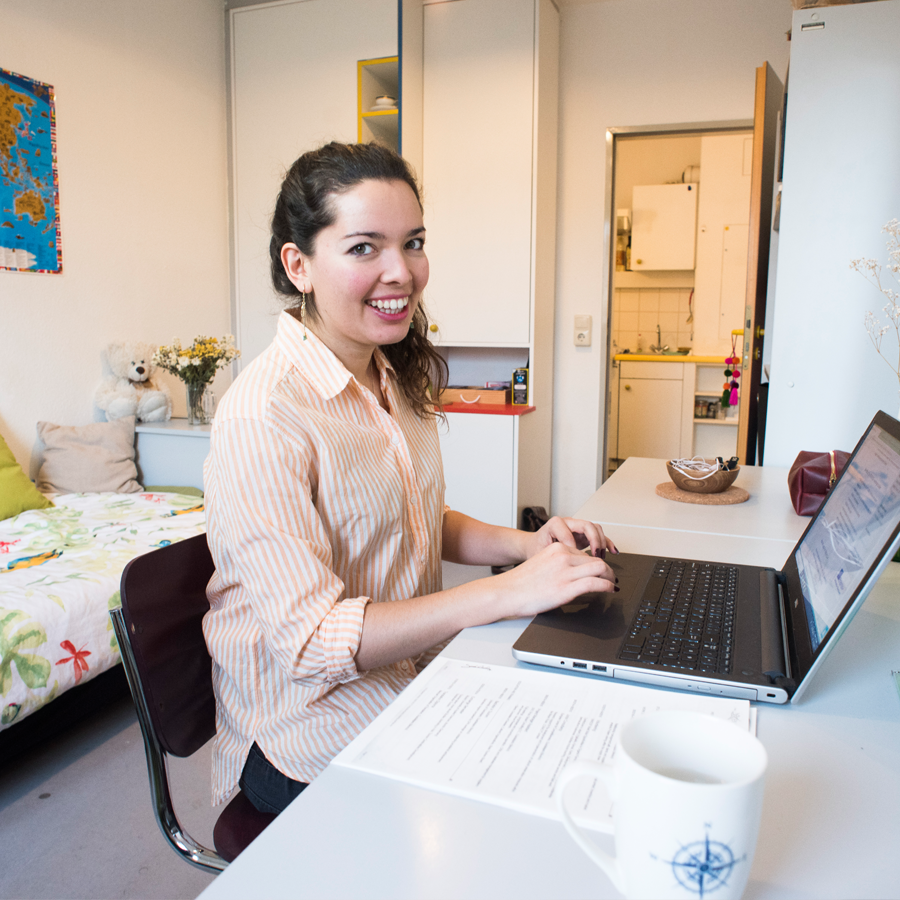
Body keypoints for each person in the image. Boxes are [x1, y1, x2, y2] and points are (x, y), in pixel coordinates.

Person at [202, 141, 618, 815]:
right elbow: (312, 641)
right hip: (301, 727)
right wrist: (510, 593)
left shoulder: (387, 375)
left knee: (575, 730)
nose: (402, 272)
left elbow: (419, 516)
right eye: (365, 247)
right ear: (298, 265)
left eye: (413, 242)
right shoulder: (264, 416)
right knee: (525, 795)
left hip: (411, 674)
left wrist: (529, 547)